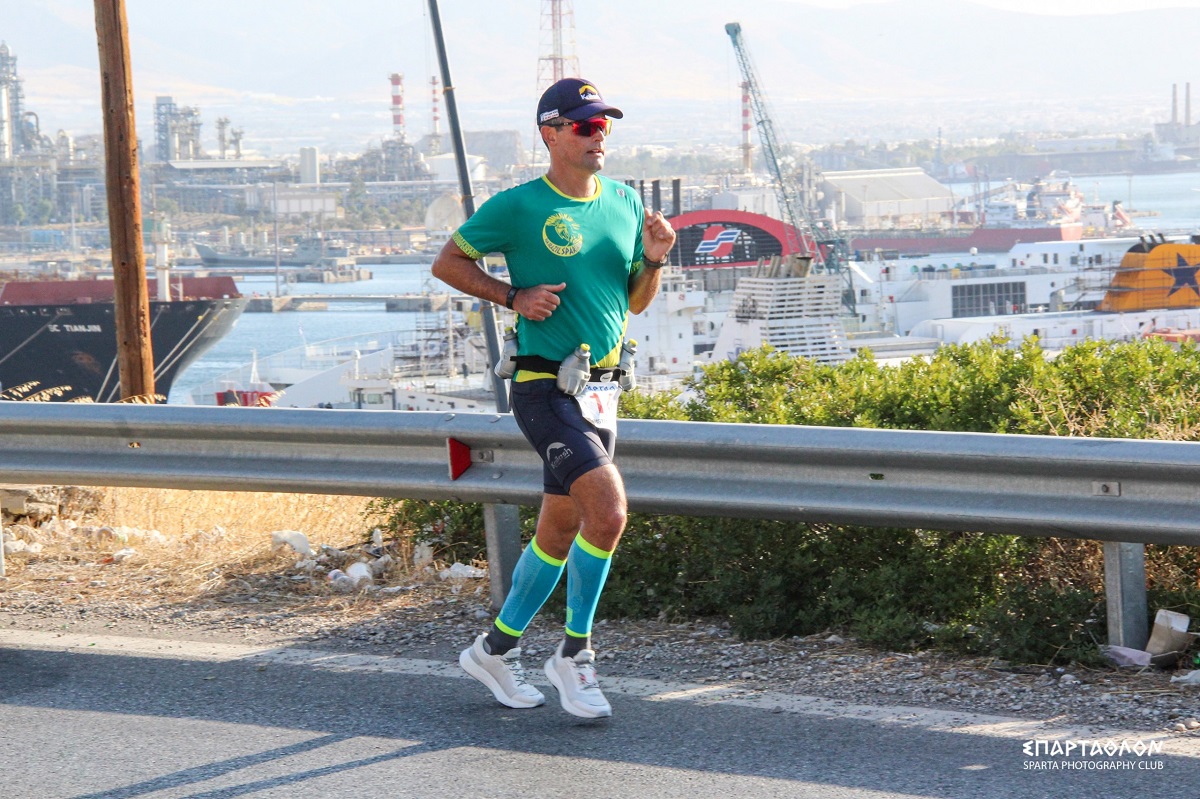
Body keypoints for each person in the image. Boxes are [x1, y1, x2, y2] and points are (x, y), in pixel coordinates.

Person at [431, 77, 676, 719]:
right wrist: (512, 297)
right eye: (585, 126)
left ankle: (493, 648)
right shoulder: (517, 207)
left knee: (561, 528)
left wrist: (651, 260)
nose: (599, 137)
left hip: (602, 391)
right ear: (551, 132)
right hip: (544, 385)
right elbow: (447, 263)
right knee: (610, 511)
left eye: (605, 127)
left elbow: (631, 301)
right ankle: (575, 654)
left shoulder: (624, 202)